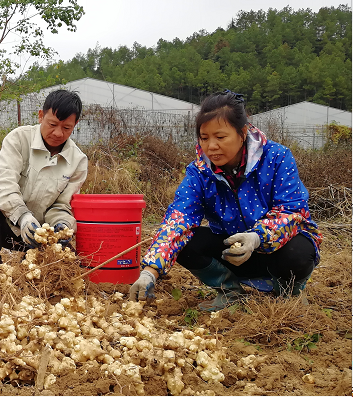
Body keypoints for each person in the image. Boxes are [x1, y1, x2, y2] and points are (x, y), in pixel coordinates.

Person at [129, 90, 321, 311]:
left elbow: (292, 211)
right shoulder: (199, 172)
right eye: (204, 138)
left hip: (275, 250)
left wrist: (256, 238)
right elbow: (178, 219)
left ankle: (289, 292)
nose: (211, 146)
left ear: (242, 133)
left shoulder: (277, 158)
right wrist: (149, 271)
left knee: (298, 250)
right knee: (187, 241)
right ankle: (230, 291)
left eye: (220, 137)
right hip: (232, 251)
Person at [0, 89, 88, 260]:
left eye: (66, 127)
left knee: (70, 265)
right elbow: (5, 185)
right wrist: (23, 216)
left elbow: (63, 205)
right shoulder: (18, 139)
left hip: (43, 235)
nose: (58, 133)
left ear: (75, 124)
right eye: (52, 124)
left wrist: (61, 226)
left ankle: (32, 260)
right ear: (41, 116)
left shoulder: (78, 161)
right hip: (9, 224)